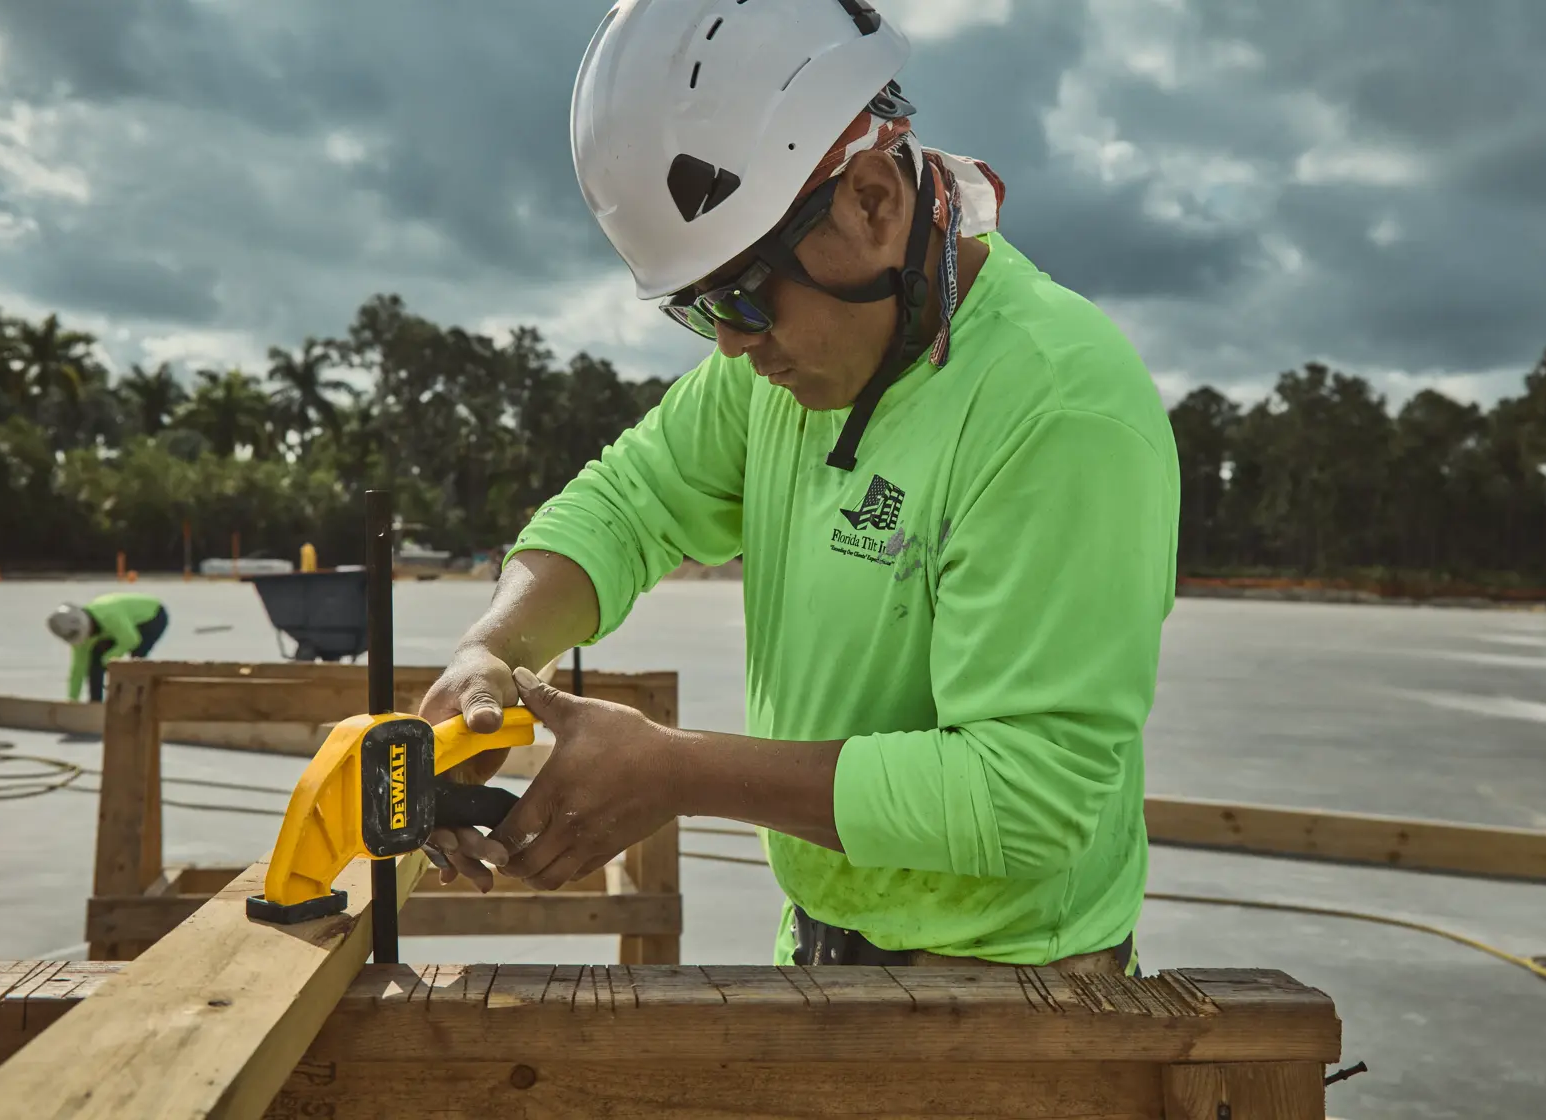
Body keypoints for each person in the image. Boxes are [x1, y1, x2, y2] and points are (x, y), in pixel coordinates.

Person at [421, 0, 1181, 974]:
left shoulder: (1058, 408)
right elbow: (627, 502)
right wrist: (494, 648)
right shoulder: (779, 374)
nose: (733, 344)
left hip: (1012, 990)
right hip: (824, 949)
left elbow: (1025, 796)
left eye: (743, 294)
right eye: (698, 310)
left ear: (873, 200)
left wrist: (678, 770)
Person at [47, 592, 170, 703]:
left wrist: (109, 657)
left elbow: (132, 640)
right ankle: (95, 703)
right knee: (95, 659)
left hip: (152, 616)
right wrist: (72, 700)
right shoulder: (81, 638)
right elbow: (78, 670)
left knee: (136, 657)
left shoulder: (109, 616)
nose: (88, 638)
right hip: (121, 628)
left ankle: (139, 700)